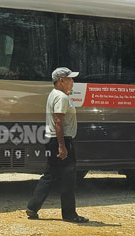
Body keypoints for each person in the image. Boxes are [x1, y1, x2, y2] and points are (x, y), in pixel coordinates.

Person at [26, 67, 89, 223]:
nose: (72, 81)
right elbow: (58, 121)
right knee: (68, 177)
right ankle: (69, 214)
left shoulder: (54, 95)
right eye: (70, 78)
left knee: (50, 175)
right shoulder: (62, 97)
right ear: (62, 81)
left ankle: (33, 207)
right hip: (61, 140)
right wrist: (62, 146)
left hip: (53, 139)